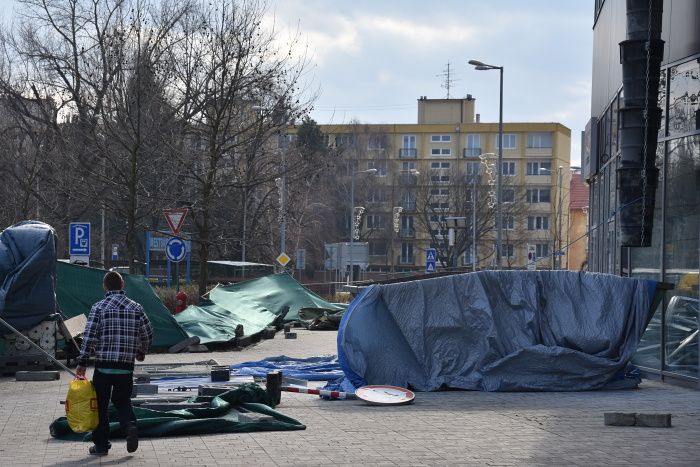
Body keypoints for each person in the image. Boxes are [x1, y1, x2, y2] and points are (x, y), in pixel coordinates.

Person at [76, 271, 154, 456]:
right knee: (122, 401)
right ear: (122, 286)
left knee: (101, 405)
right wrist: (141, 351)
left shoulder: (99, 308)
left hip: (103, 366)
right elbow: (148, 333)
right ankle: (130, 426)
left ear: (105, 286)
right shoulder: (136, 308)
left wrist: (82, 362)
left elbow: (89, 336)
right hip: (125, 367)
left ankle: (101, 446)